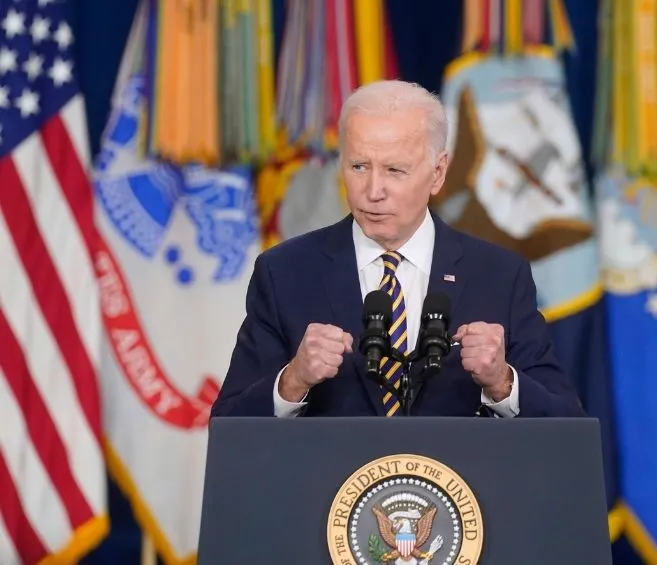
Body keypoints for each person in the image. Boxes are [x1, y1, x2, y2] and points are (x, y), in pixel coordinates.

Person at [211, 80, 585, 419]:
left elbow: (567, 427)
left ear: (437, 173)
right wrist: (292, 381)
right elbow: (229, 426)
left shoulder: (499, 276)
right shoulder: (285, 273)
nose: (373, 191)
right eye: (359, 166)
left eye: (394, 170)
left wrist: (502, 382)